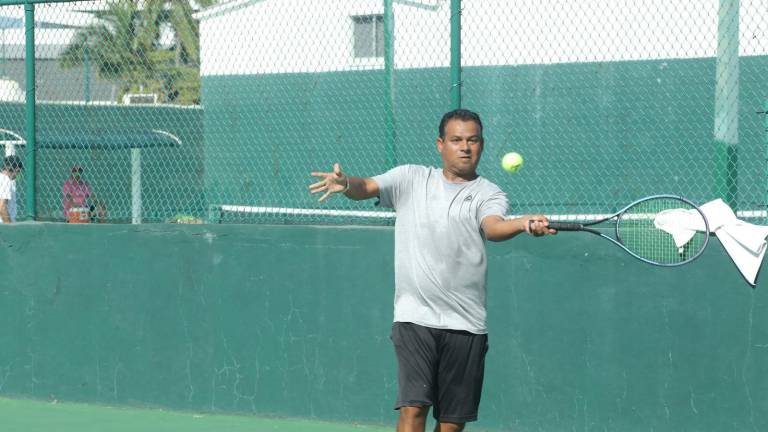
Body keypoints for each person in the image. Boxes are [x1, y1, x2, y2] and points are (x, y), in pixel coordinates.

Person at [309, 109, 556, 432]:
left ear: (482, 145)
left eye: (473, 140)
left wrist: (522, 224)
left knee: (451, 425)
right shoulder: (410, 178)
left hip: (466, 322)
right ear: (441, 144)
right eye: (456, 140)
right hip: (415, 316)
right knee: (413, 408)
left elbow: (494, 228)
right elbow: (365, 186)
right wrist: (345, 185)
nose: (465, 147)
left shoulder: (489, 193)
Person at [0, 155, 24, 224]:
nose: (18, 174)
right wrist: (10, 227)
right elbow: (2, 206)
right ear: (16, 169)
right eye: (18, 171)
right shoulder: (5, 180)